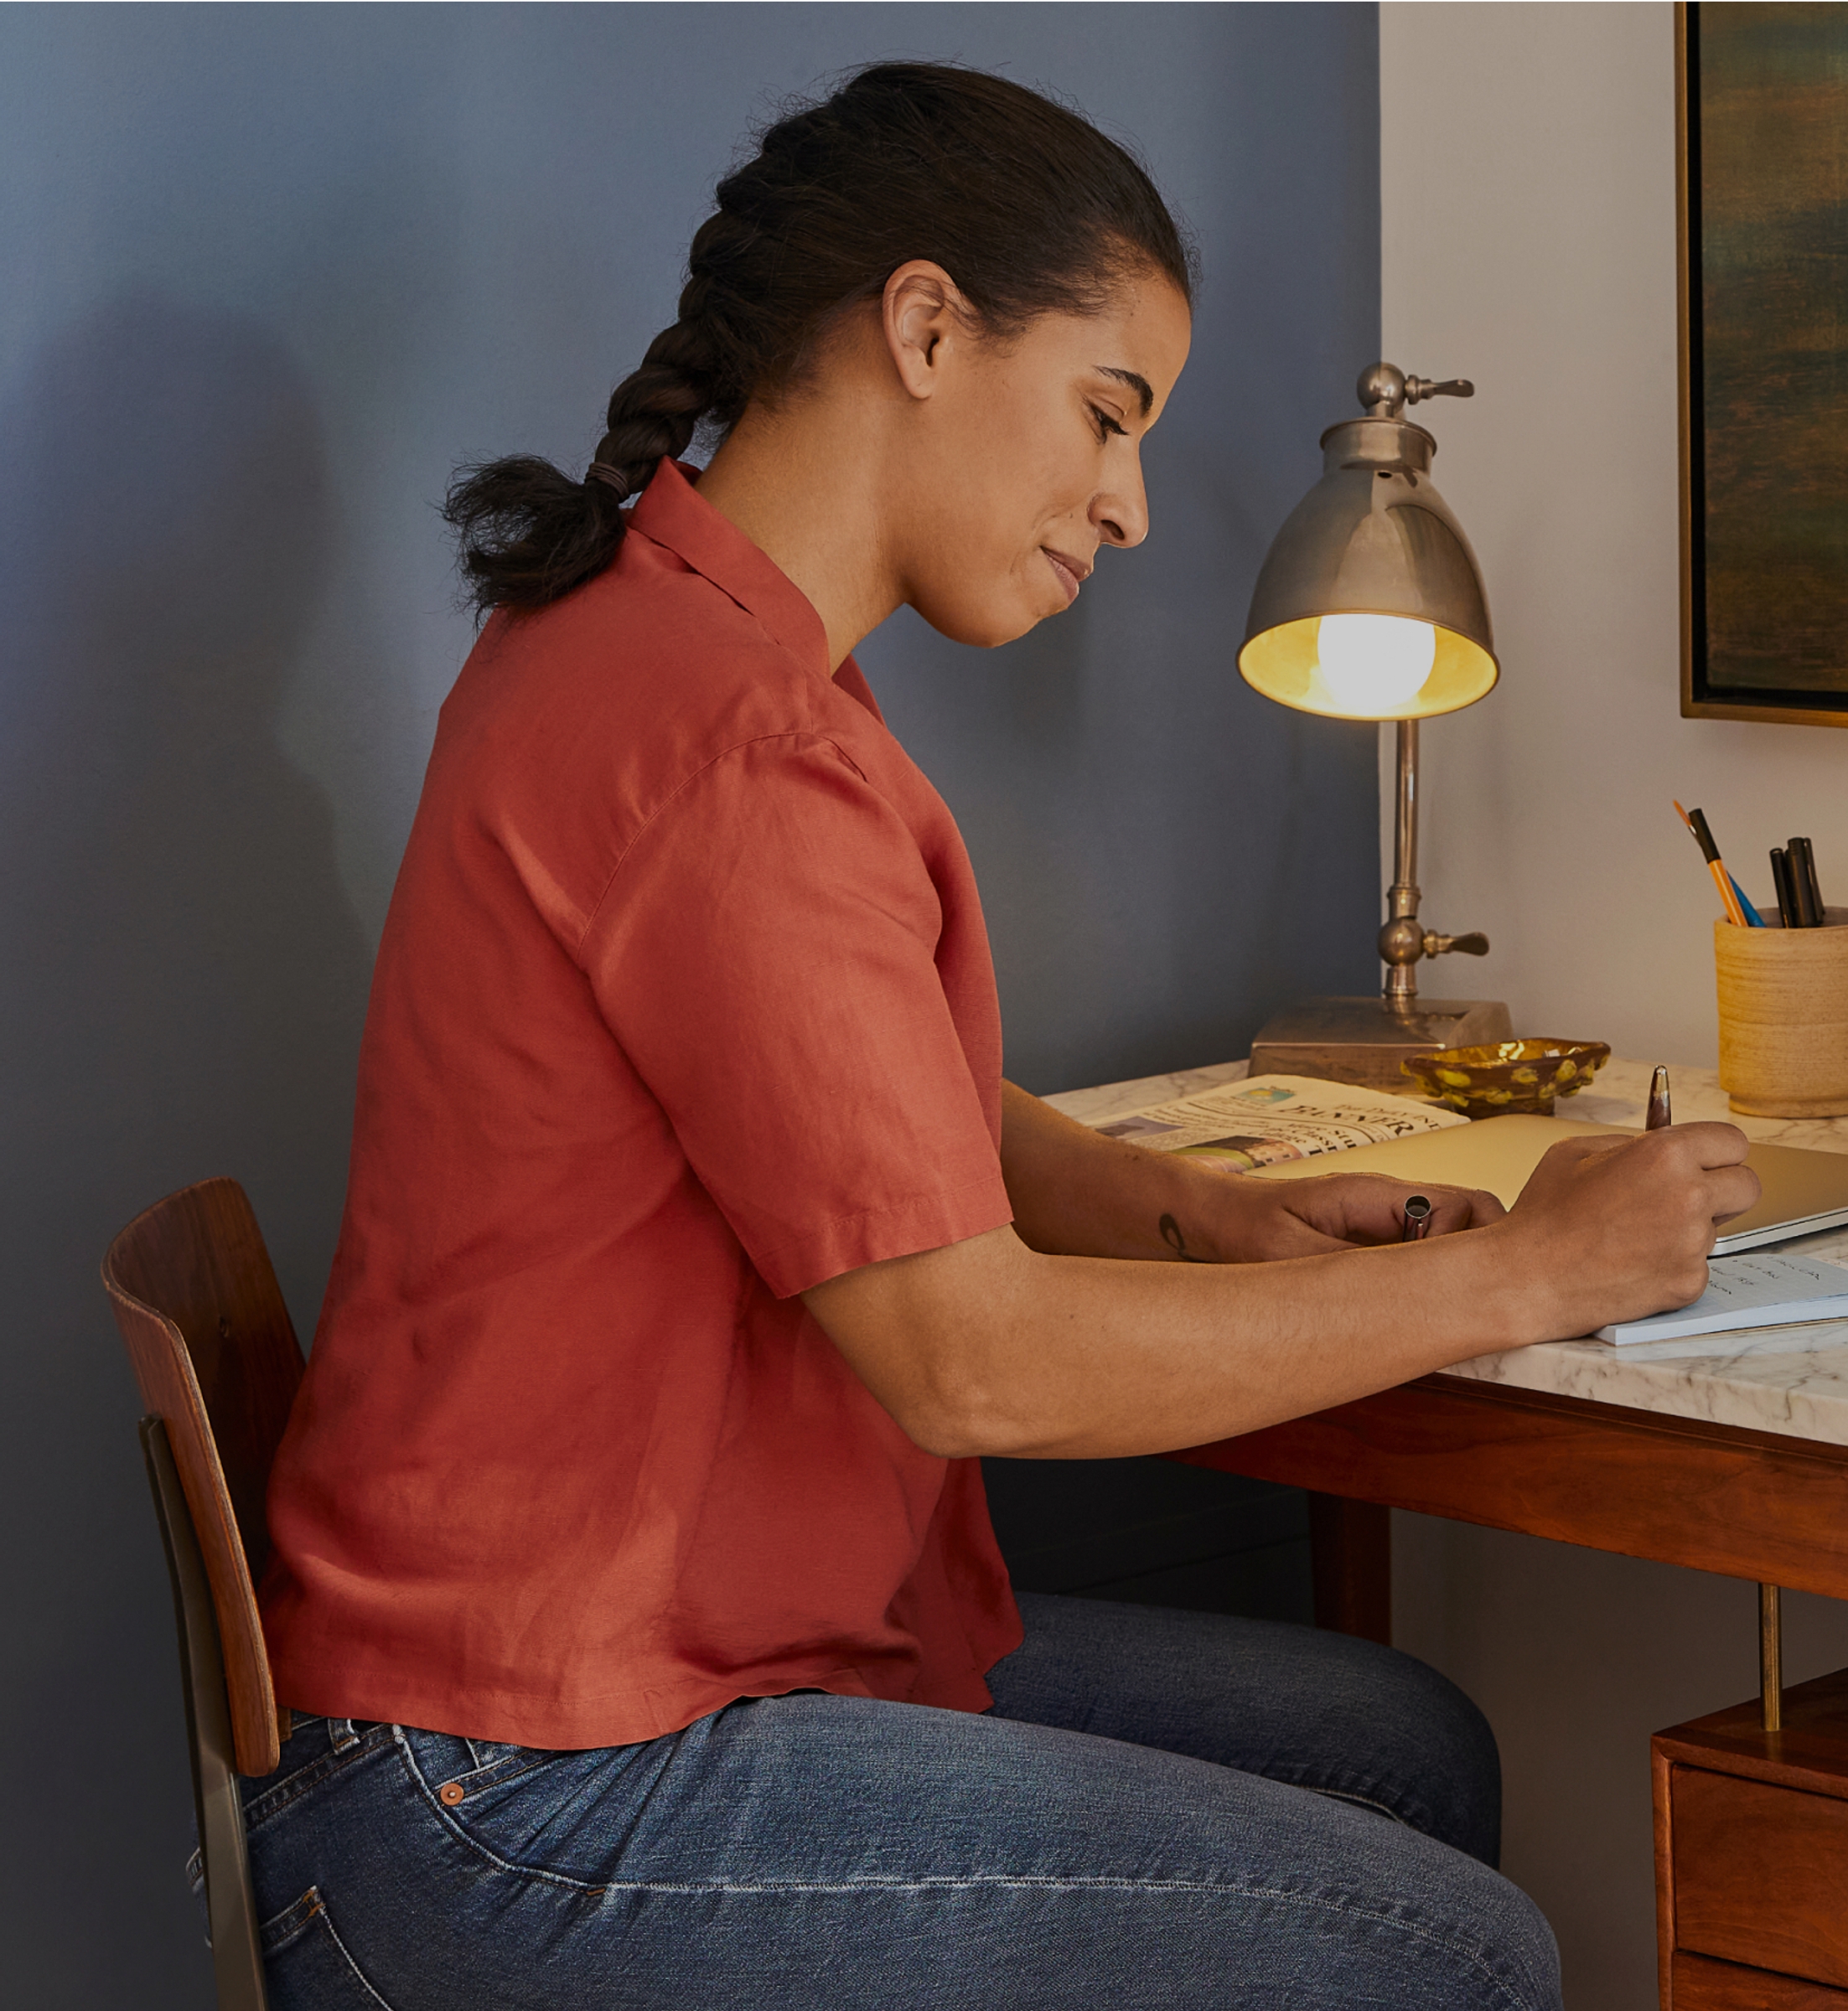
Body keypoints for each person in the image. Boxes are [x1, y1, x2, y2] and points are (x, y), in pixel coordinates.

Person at [245, 63, 1753, 2011]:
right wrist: (1536, 1275)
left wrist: (1184, 1210)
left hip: (508, 1702)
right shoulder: (734, 745)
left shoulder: (649, 639)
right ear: (929, 327)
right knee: (1458, 1954)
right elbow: (977, 1369)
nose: (1127, 507)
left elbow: (803, 1093)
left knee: (1404, 1750)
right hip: (523, 1790)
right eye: (1108, 417)